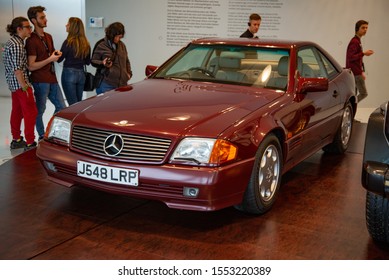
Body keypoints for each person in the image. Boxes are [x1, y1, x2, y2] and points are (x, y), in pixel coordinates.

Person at [25, 5, 66, 140]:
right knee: (40, 110)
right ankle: (42, 135)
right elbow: (31, 66)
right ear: (34, 20)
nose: (45, 20)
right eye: (42, 18)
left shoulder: (48, 36)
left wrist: (56, 54)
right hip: (40, 80)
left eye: (45, 17)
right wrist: (50, 59)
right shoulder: (31, 40)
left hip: (52, 78)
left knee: (62, 108)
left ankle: (50, 132)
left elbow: (51, 54)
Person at [3, 17, 38, 151]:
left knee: (17, 111)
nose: (30, 29)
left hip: (13, 85)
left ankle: (16, 139)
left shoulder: (11, 42)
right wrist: (25, 87)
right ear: (19, 29)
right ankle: (30, 142)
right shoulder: (17, 45)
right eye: (27, 27)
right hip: (20, 85)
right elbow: (18, 70)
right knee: (31, 112)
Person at [91, 22, 132, 94]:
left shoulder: (122, 45)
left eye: (120, 37)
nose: (118, 39)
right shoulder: (101, 44)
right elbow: (93, 61)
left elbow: (126, 61)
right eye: (116, 36)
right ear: (111, 34)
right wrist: (103, 63)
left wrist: (129, 73)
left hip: (122, 84)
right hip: (106, 84)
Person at [58, 17, 91, 105]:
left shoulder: (68, 42)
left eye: (68, 24)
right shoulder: (86, 44)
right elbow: (88, 62)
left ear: (72, 27)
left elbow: (59, 59)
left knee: (72, 105)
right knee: (78, 103)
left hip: (69, 73)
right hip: (81, 74)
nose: (66, 25)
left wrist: (56, 53)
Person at [346, 20, 374, 102]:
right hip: (355, 73)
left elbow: (357, 59)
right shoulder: (354, 42)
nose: (365, 30)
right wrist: (363, 53)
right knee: (363, 93)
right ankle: (351, 104)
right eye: (363, 28)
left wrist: (361, 71)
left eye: (366, 28)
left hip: (356, 72)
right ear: (357, 28)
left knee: (354, 93)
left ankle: (351, 109)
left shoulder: (357, 40)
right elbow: (350, 57)